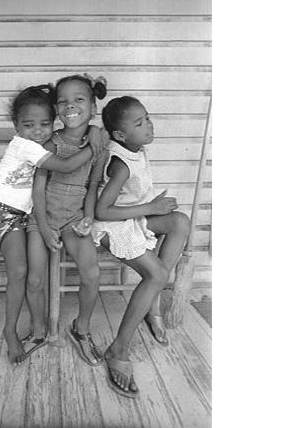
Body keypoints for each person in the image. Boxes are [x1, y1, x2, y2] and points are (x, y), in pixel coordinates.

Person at [0, 84, 105, 369]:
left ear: (54, 122)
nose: (37, 130)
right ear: (15, 126)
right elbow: (64, 167)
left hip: (16, 218)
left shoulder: (47, 144)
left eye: (44, 124)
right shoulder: (23, 145)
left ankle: (10, 331)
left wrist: (95, 131)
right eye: (28, 125)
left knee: (19, 273)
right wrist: (95, 145)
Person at [92, 96, 190, 398]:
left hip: (133, 215)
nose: (149, 125)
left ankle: (150, 302)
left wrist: (155, 208)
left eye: (147, 118)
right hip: (112, 225)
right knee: (158, 275)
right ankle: (118, 350)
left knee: (180, 222)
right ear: (120, 136)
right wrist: (151, 206)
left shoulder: (137, 149)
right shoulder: (119, 163)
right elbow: (101, 211)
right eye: (139, 123)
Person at [26, 75, 109, 366]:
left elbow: (93, 186)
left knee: (92, 273)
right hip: (41, 217)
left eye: (79, 99)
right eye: (62, 101)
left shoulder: (99, 147)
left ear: (93, 107)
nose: (69, 106)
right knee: (35, 279)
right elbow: (37, 189)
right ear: (57, 110)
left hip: (74, 217)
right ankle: (39, 330)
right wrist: (46, 228)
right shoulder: (50, 144)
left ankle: (81, 329)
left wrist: (87, 217)